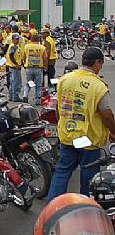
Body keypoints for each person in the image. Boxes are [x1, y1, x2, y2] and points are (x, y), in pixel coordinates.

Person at [46, 47, 115, 202]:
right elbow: (108, 117)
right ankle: (85, 208)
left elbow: (58, 107)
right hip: (88, 139)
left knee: (62, 172)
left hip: (68, 135)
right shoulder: (99, 86)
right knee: (88, 176)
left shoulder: (65, 79)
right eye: (101, 64)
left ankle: (53, 207)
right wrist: (113, 132)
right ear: (97, 63)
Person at [23, 35, 47, 105]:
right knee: (38, 85)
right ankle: (37, 100)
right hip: (38, 68)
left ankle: (25, 96)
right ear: (39, 40)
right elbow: (45, 57)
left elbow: (24, 57)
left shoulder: (26, 47)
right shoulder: (42, 47)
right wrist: (45, 66)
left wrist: (24, 63)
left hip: (29, 68)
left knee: (29, 83)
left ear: (31, 40)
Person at [6, 34, 23, 102]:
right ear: (13, 39)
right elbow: (11, 56)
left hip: (13, 66)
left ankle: (11, 96)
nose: (17, 40)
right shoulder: (13, 47)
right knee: (16, 82)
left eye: (18, 39)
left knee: (12, 82)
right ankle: (15, 97)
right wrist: (16, 64)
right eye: (16, 39)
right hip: (14, 67)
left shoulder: (15, 46)